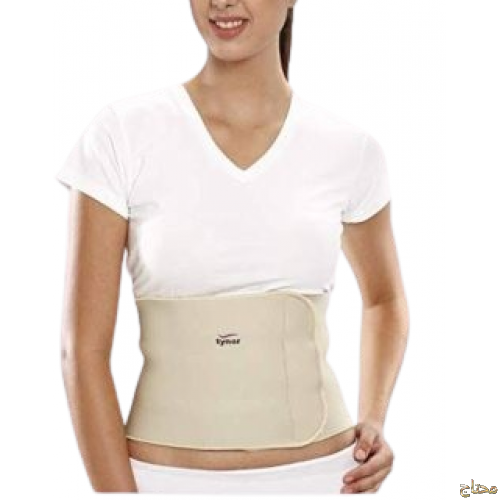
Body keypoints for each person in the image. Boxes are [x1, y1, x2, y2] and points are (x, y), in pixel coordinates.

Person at [56, 0, 409, 494]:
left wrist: (374, 418)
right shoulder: (122, 134)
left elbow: (384, 299)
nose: (222, 1)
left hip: (322, 477)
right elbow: (81, 351)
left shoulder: (349, 150)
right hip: (163, 481)